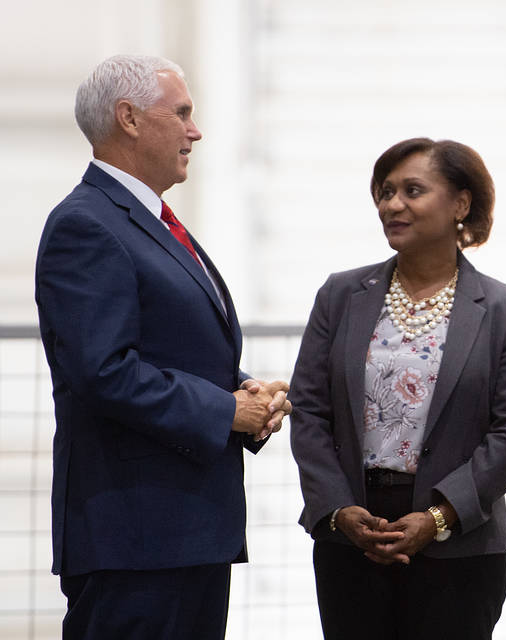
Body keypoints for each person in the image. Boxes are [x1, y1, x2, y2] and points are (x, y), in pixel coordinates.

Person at [34, 55, 292, 639]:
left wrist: (243, 391)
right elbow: (103, 371)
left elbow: (172, 349)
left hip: (184, 528)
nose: (194, 131)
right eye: (181, 114)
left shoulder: (146, 219)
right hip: (137, 535)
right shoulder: (88, 224)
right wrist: (225, 410)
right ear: (128, 118)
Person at [289, 137, 506, 639]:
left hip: (459, 542)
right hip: (351, 537)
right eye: (385, 192)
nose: (392, 205)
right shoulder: (341, 295)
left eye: (412, 190)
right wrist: (339, 511)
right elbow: (311, 412)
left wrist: (439, 517)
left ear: (461, 205)